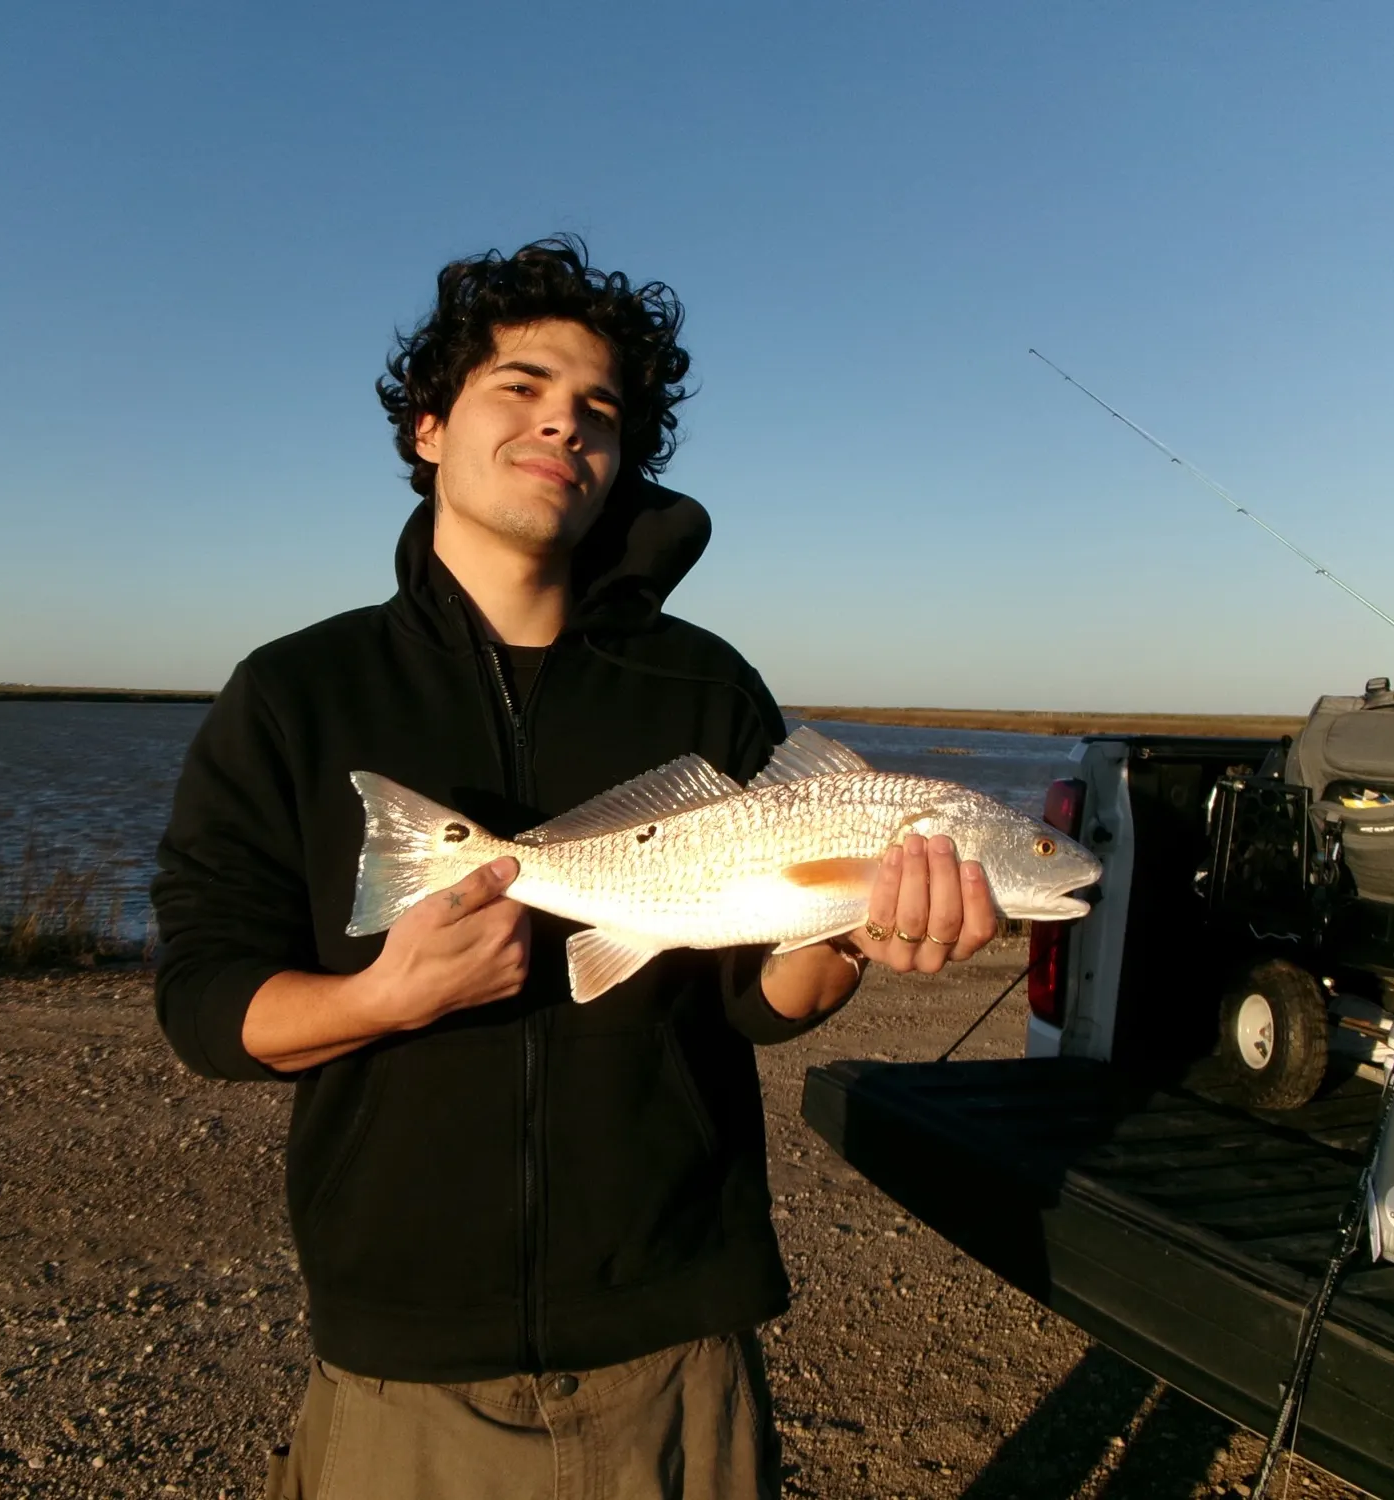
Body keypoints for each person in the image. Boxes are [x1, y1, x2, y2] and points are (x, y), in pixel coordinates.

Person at [152, 236, 997, 1500]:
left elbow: (758, 1005)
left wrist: (853, 935)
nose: (565, 423)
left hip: (675, 1344)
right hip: (403, 1358)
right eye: (523, 386)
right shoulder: (296, 695)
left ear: (620, 465)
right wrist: (385, 998)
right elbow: (203, 995)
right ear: (429, 426)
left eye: (600, 410)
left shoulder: (707, 687)